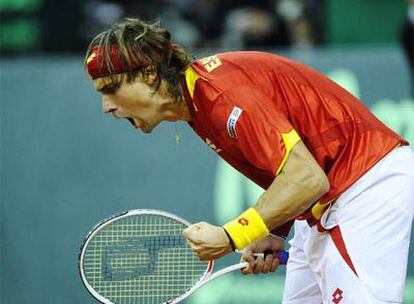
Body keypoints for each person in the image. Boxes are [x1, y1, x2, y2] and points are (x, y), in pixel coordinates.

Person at [84, 18, 414, 304]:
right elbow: (290, 171)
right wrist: (273, 229)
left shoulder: (221, 95)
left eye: (111, 89)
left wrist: (232, 236)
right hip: (326, 202)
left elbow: (307, 178)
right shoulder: (200, 101)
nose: (106, 107)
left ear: (149, 72)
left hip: (364, 185)